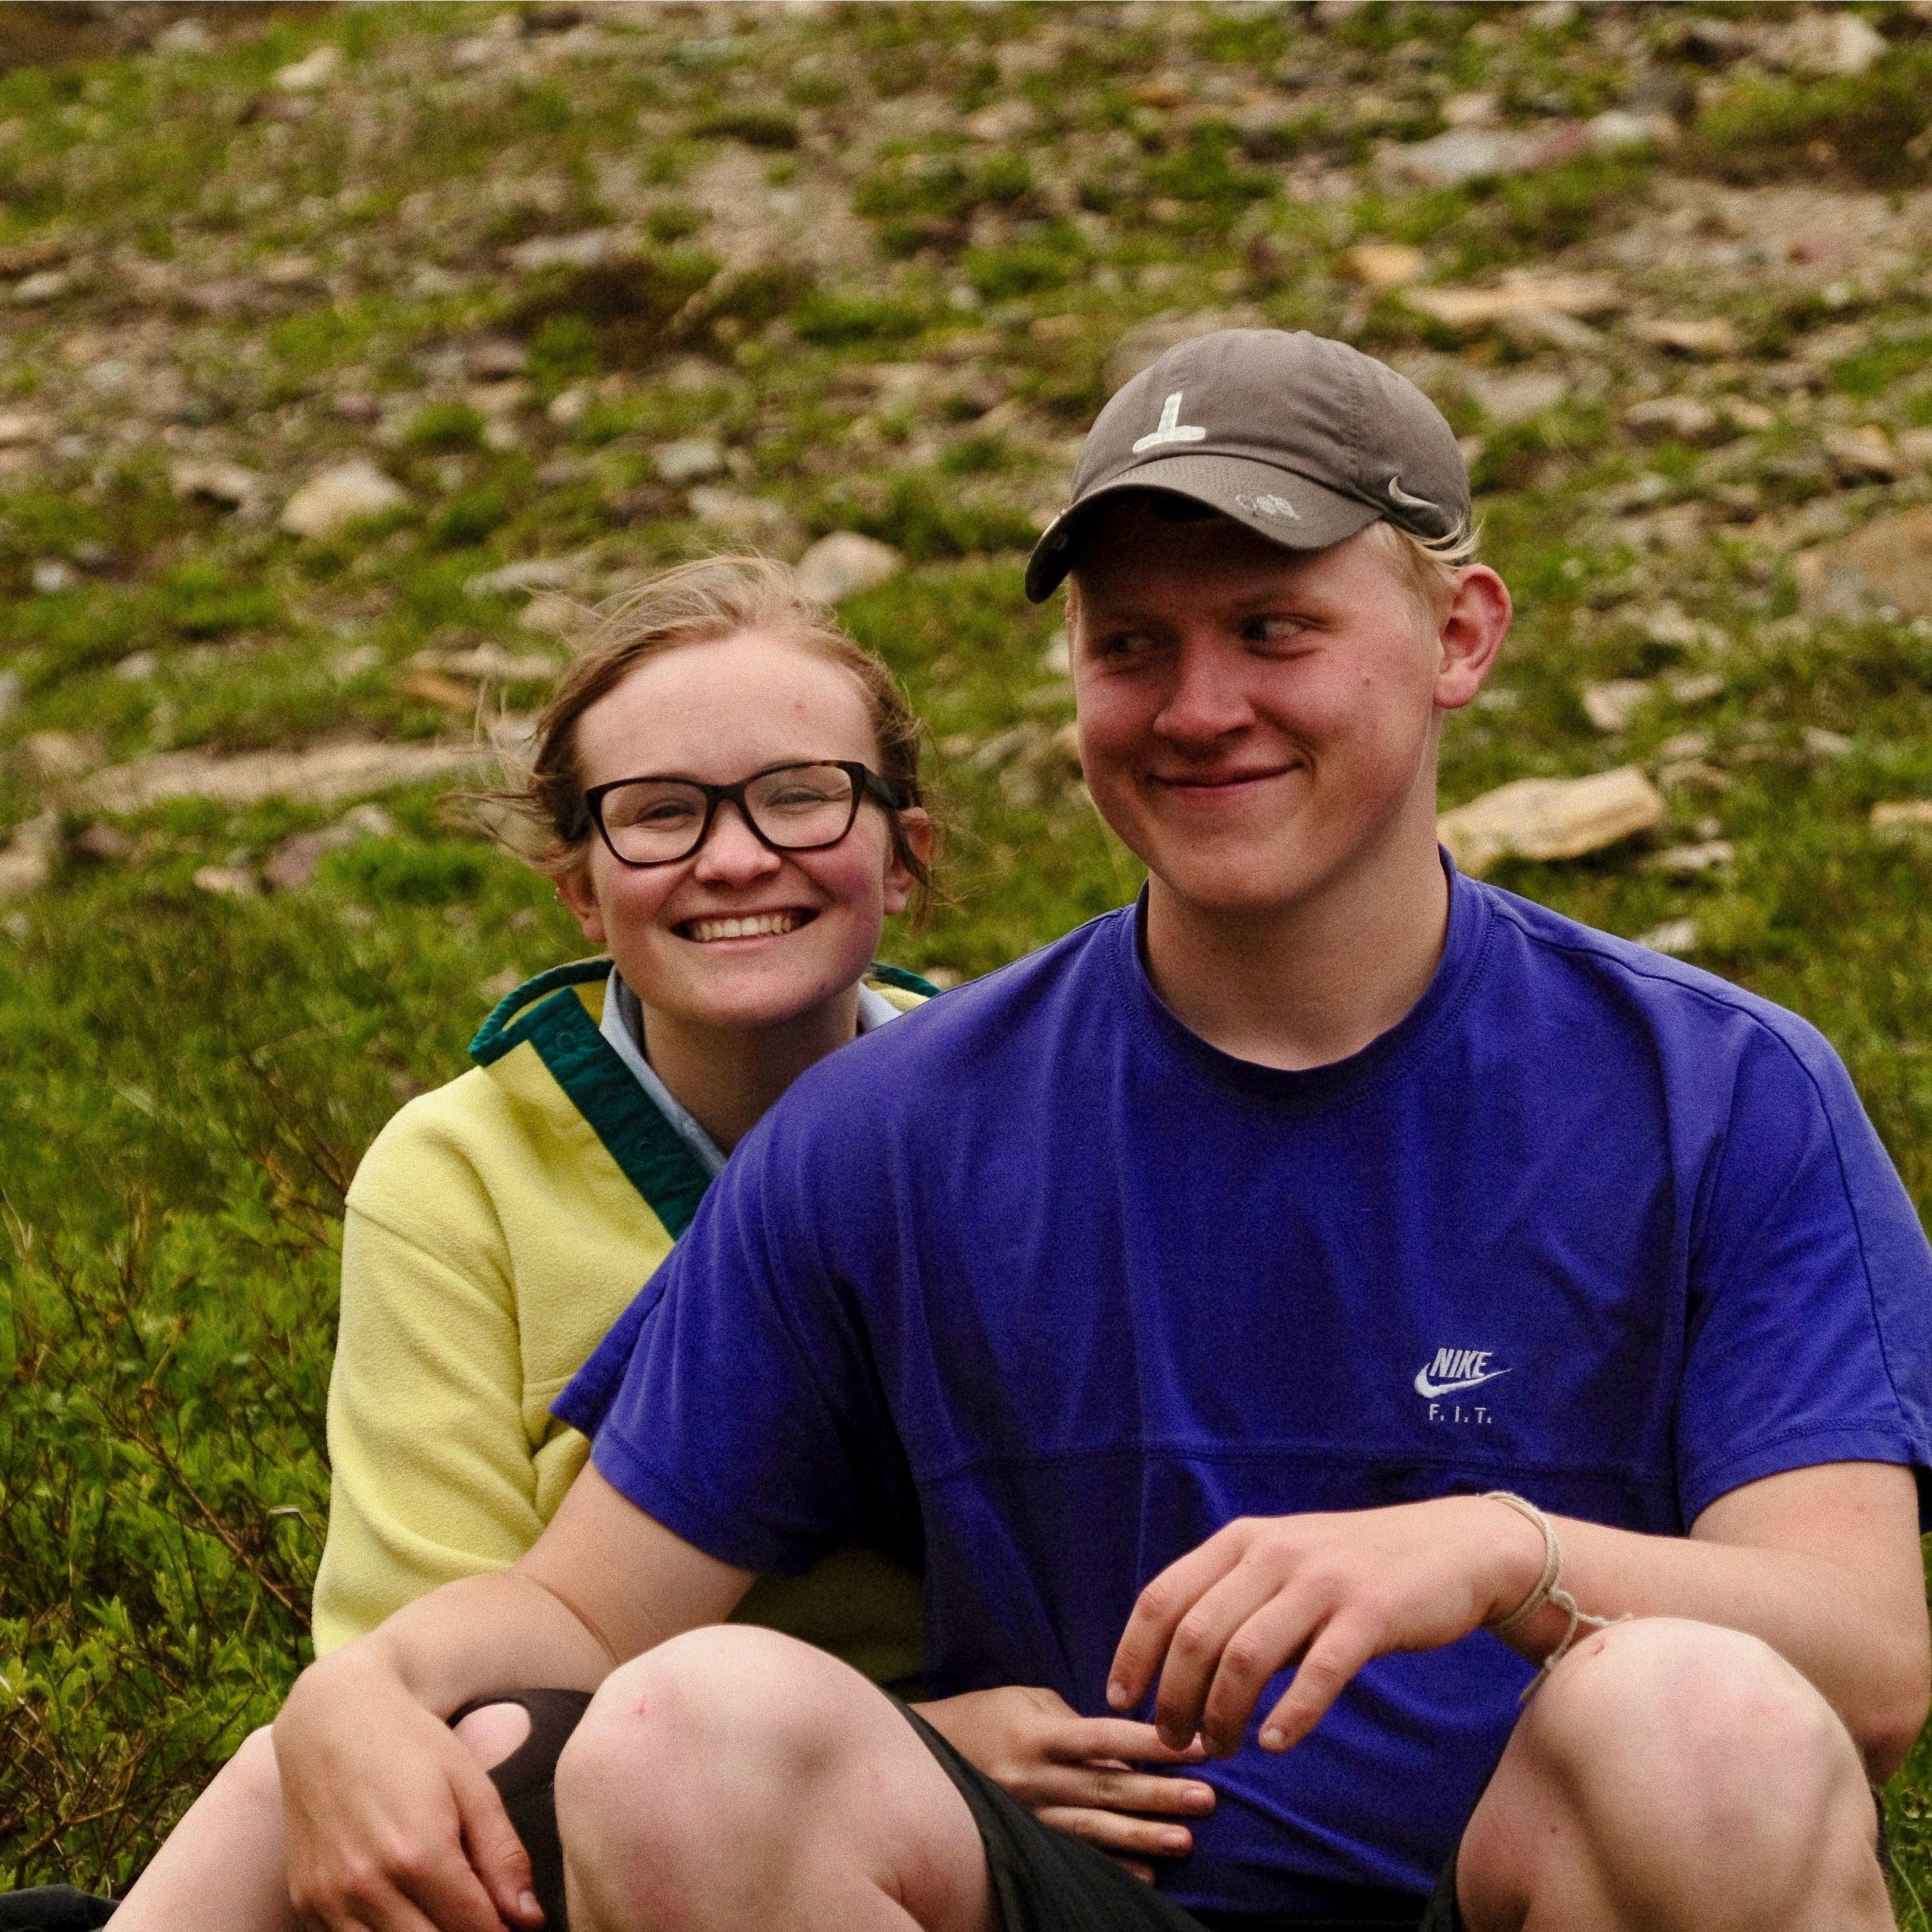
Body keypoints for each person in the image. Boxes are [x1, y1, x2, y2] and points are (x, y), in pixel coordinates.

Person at [134, 334, 1932, 1931]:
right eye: (1130, 645)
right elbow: (594, 1619)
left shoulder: (1718, 1088)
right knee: (696, 1730)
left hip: (1529, 1872)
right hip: (1090, 1887)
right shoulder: (891, 1128)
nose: (1199, 705)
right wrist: (362, 1693)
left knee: (1693, 1714)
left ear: (1460, 636)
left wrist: (1498, 1549)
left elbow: (1863, 1661)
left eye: (1274, 628)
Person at [78, 556, 1212, 1932]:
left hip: (995, 1828)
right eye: (659, 815)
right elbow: (424, 1665)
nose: (734, 857)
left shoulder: (1033, 1111)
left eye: (801, 795)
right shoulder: (453, 1178)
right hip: (630, 1790)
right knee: (321, 1763)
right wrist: (930, 1738)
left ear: (905, 851)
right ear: (578, 885)